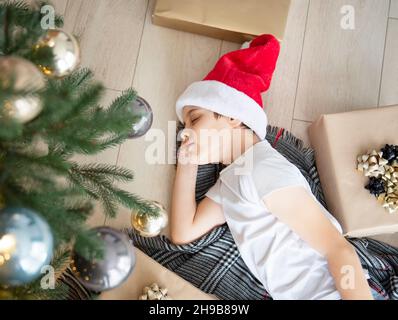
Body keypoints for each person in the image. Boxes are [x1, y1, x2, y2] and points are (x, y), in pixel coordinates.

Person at [170, 34, 378, 300]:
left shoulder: (262, 169)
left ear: (233, 116)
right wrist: (187, 165)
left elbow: (338, 250)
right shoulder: (232, 180)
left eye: (194, 119)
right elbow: (183, 231)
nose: (184, 133)